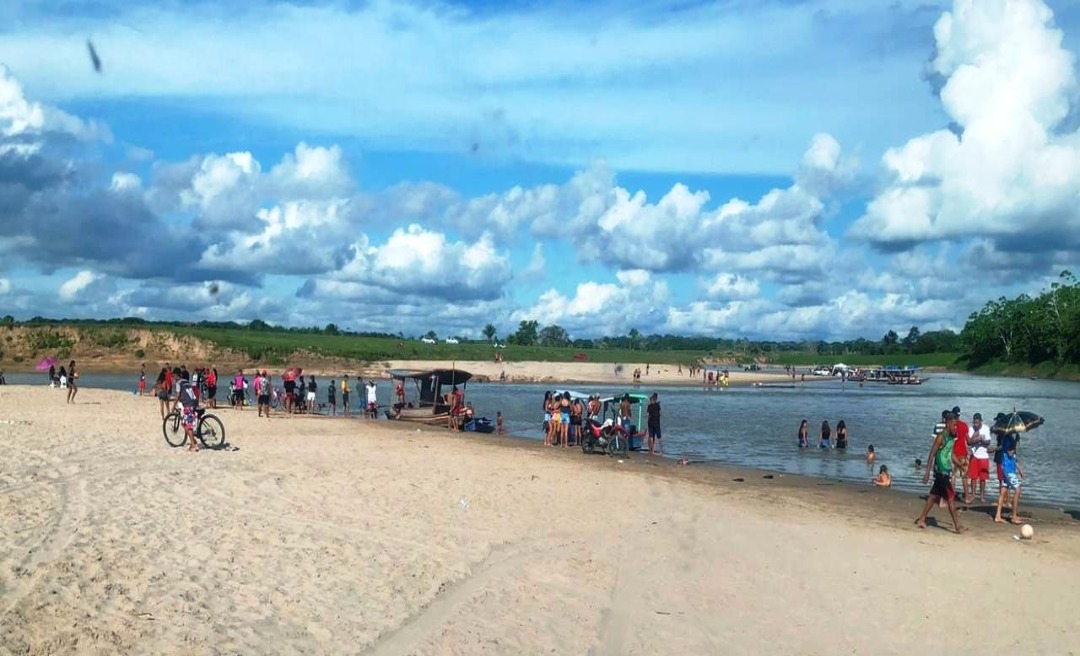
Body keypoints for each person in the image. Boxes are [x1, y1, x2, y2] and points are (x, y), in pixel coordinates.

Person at [914, 414, 966, 534]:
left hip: (946, 471)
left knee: (933, 496)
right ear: (947, 424)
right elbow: (932, 454)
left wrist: (960, 465)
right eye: (954, 425)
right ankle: (957, 527)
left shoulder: (951, 437)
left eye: (956, 426)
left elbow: (951, 454)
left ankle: (922, 519)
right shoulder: (941, 437)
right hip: (941, 472)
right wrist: (927, 472)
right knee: (951, 498)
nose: (955, 428)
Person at [994, 432, 1026, 525]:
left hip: (1009, 469)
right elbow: (1010, 454)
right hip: (1008, 470)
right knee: (1018, 490)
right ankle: (1014, 516)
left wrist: (1020, 470)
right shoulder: (1007, 439)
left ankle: (998, 516)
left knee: (1003, 491)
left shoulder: (1010, 438)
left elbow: (1014, 458)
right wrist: (1015, 443)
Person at [172, 373, 201, 452]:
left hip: (188, 404)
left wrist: (173, 406)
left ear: (176, 375)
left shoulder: (178, 383)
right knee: (183, 423)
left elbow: (178, 395)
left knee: (188, 426)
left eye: (173, 376)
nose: (173, 378)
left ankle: (193, 446)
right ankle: (193, 441)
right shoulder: (186, 381)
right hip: (194, 401)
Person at [967, 412, 992, 503]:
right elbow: (969, 442)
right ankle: (973, 495)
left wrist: (982, 440)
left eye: (977, 422)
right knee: (973, 477)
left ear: (981, 421)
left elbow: (988, 442)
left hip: (984, 455)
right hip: (974, 455)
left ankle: (982, 496)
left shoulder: (986, 428)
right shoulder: (971, 429)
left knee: (983, 478)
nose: (976, 424)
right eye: (974, 422)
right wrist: (977, 438)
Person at [950, 406, 971, 502]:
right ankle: (967, 498)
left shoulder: (951, 426)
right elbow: (968, 441)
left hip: (953, 453)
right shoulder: (964, 425)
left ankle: (951, 497)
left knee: (953, 476)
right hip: (963, 453)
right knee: (964, 477)